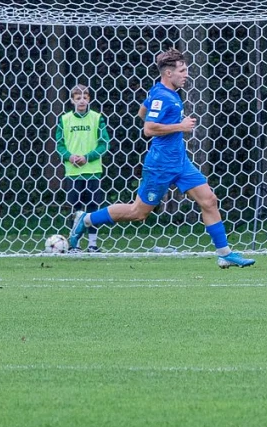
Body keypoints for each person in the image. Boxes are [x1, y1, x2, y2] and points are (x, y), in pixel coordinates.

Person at [68, 49, 255, 268]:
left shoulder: (162, 91)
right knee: (138, 213)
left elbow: (142, 112)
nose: (186, 75)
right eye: (182, 71)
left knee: (209, 200)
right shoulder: (162, 96)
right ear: (168, 73)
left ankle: (225, 254)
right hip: (160, 165)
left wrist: (172, 124)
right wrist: (180, 126)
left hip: (180, 162)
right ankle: (86, 219)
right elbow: (148, 128)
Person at [55, 84, 110, 252]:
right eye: (78, 98)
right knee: (75, 210)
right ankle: (75, 245)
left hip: (93, 171)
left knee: (93, 210)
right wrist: (69, 156)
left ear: (89, 99)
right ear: (72, 100)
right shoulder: (64, 119)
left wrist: (87, 157)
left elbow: (104, 144)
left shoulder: (97, 118)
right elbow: (59, 144)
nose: (81, 101)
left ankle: (92, 244)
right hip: (73, 172)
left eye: (85, 98)